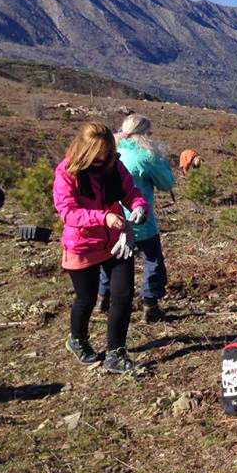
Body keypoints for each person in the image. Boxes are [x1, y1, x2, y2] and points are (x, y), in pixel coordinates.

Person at [53, 122, 149, 373]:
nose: (103, 157)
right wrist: (103, 217)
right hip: (82, 245)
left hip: (116, 242)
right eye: (98, 152)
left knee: (123, 294)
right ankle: (77, 339)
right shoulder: (67, 171)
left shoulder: (114, 166)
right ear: (85, 149)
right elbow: (68, 212)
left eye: (107, 151)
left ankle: (116, 352)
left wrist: (139, 206)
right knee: (86, 299)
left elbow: (130, 191)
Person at [97, 115, 174, 323]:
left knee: (112, 260)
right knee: (152, 261)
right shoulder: (147, 156)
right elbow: (167, 183)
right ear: (145, 134)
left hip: (112, 220)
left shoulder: (110, 152)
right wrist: (164, 163)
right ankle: (150, 304)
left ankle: (103, 298)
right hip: (142, 220)